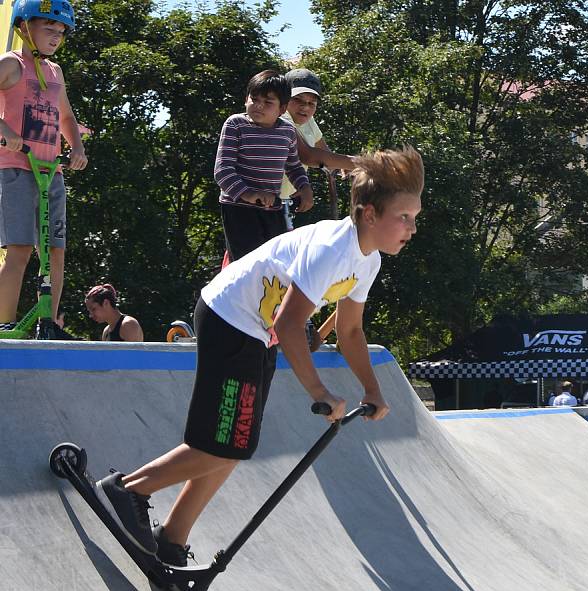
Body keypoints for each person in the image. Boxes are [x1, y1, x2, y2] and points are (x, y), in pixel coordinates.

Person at [94, 147, 424, 567]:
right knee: (223, 444)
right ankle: (129, 490)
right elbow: (290, 326)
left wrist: (373, 389)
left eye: (415, 218)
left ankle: (172, 535)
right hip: (231, 318)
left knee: (234, 444)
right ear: (370, 214)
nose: (412, 228)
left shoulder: (368, 260)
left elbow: (350, 330)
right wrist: (318, 391)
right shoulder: (332, 249)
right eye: (405, 217)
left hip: (256, 333)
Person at [0, 0, 88, 333]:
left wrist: (76, 146)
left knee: (55, 251)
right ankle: (5, 323)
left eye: (61, 32)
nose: (56, 37)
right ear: (24, 27)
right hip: (16, 169)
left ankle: (47, 322)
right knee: (20, 249)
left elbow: (65, 116)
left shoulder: (55, 72)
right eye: (48, 29)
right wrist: (5, 130)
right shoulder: (11, 64)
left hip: (51, 171)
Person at [214, 70, 314, 263]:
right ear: (246, 99)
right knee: (247, 265)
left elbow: (293, 166)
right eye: (254, 99)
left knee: (275, 263)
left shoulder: (287, 131)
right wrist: (250, 194)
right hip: (239, 209)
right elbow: (222, 171)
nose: (258, 106)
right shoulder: (236, 124)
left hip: (273, 209)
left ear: (282, 108)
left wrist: (305, 188)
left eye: (268, 102)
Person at [280, 68, 354, 229]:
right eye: (298, 99)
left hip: (282, 203)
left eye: (311, 103)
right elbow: (308, 156)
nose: (305, 107)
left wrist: (342, 164)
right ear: (283, 98)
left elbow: (324, 152)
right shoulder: (281, 118)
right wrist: (362, 163)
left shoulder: (308, 120)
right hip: (257, 202)